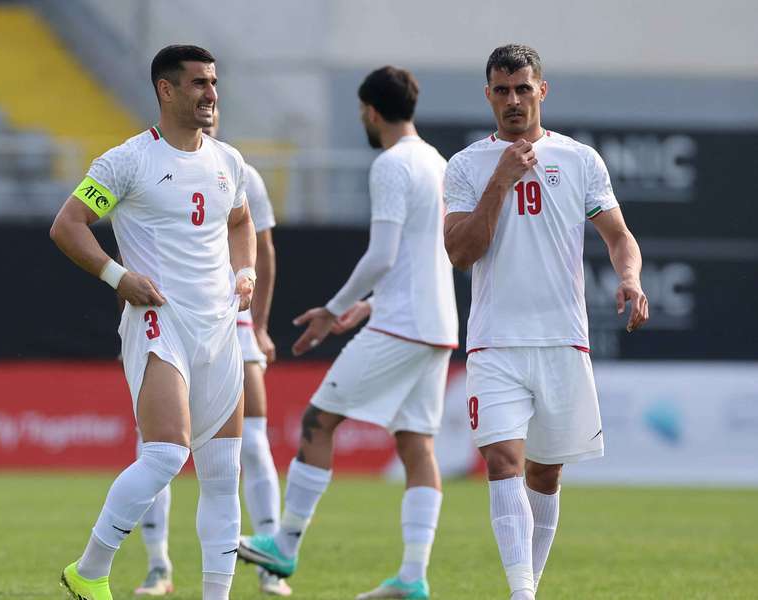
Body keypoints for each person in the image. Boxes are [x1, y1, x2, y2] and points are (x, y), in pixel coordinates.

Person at [238, 66, 458, 600]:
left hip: (403, 325)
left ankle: (284, 545)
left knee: (319, 420)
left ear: (371, 112)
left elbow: (382, 255)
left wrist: (333, 310)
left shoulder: (391, 164)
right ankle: (413, 576)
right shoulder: (438, 162)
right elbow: (428, 255)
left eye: (363, 112)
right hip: (438, 325)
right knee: (416, 444)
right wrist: (369, 304)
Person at [50, 44, 257, 600]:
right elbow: (68, 224)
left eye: (214, 82)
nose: (211, 93)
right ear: (166, 90)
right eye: (198, 83)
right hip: (159, 322)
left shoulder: (228, 161)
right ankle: (90, 570)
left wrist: (246, 272)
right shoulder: (128, 160)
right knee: (166, 453)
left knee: (223, 474)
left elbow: (242, 222)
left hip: (219, 329)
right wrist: (118, 277)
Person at [442, 44, 649, 599]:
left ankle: (527, 586)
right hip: (495, 342)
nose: (513, 100)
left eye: (523, 88)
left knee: (545, 472)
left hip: (562, 339)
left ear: (542, 90)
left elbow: (618, 236)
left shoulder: (579, 160)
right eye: (502, 90)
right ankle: (522, 594)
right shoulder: (466, 165)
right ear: (488, 95)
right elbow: (461, 253)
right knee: (502, 462)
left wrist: (630, 277)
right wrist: (501, 179)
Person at [133, 111, 291, 597]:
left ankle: (269, 559)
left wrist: (260, 324)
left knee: (253, 440)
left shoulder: (239, 170)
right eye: (199, 88)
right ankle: (158, 563)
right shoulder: (152, 166)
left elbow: (262, 249)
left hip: (232, 320)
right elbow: (138, 246)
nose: (208, 111)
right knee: (157, 445)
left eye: (214, 97)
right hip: (174, 319)